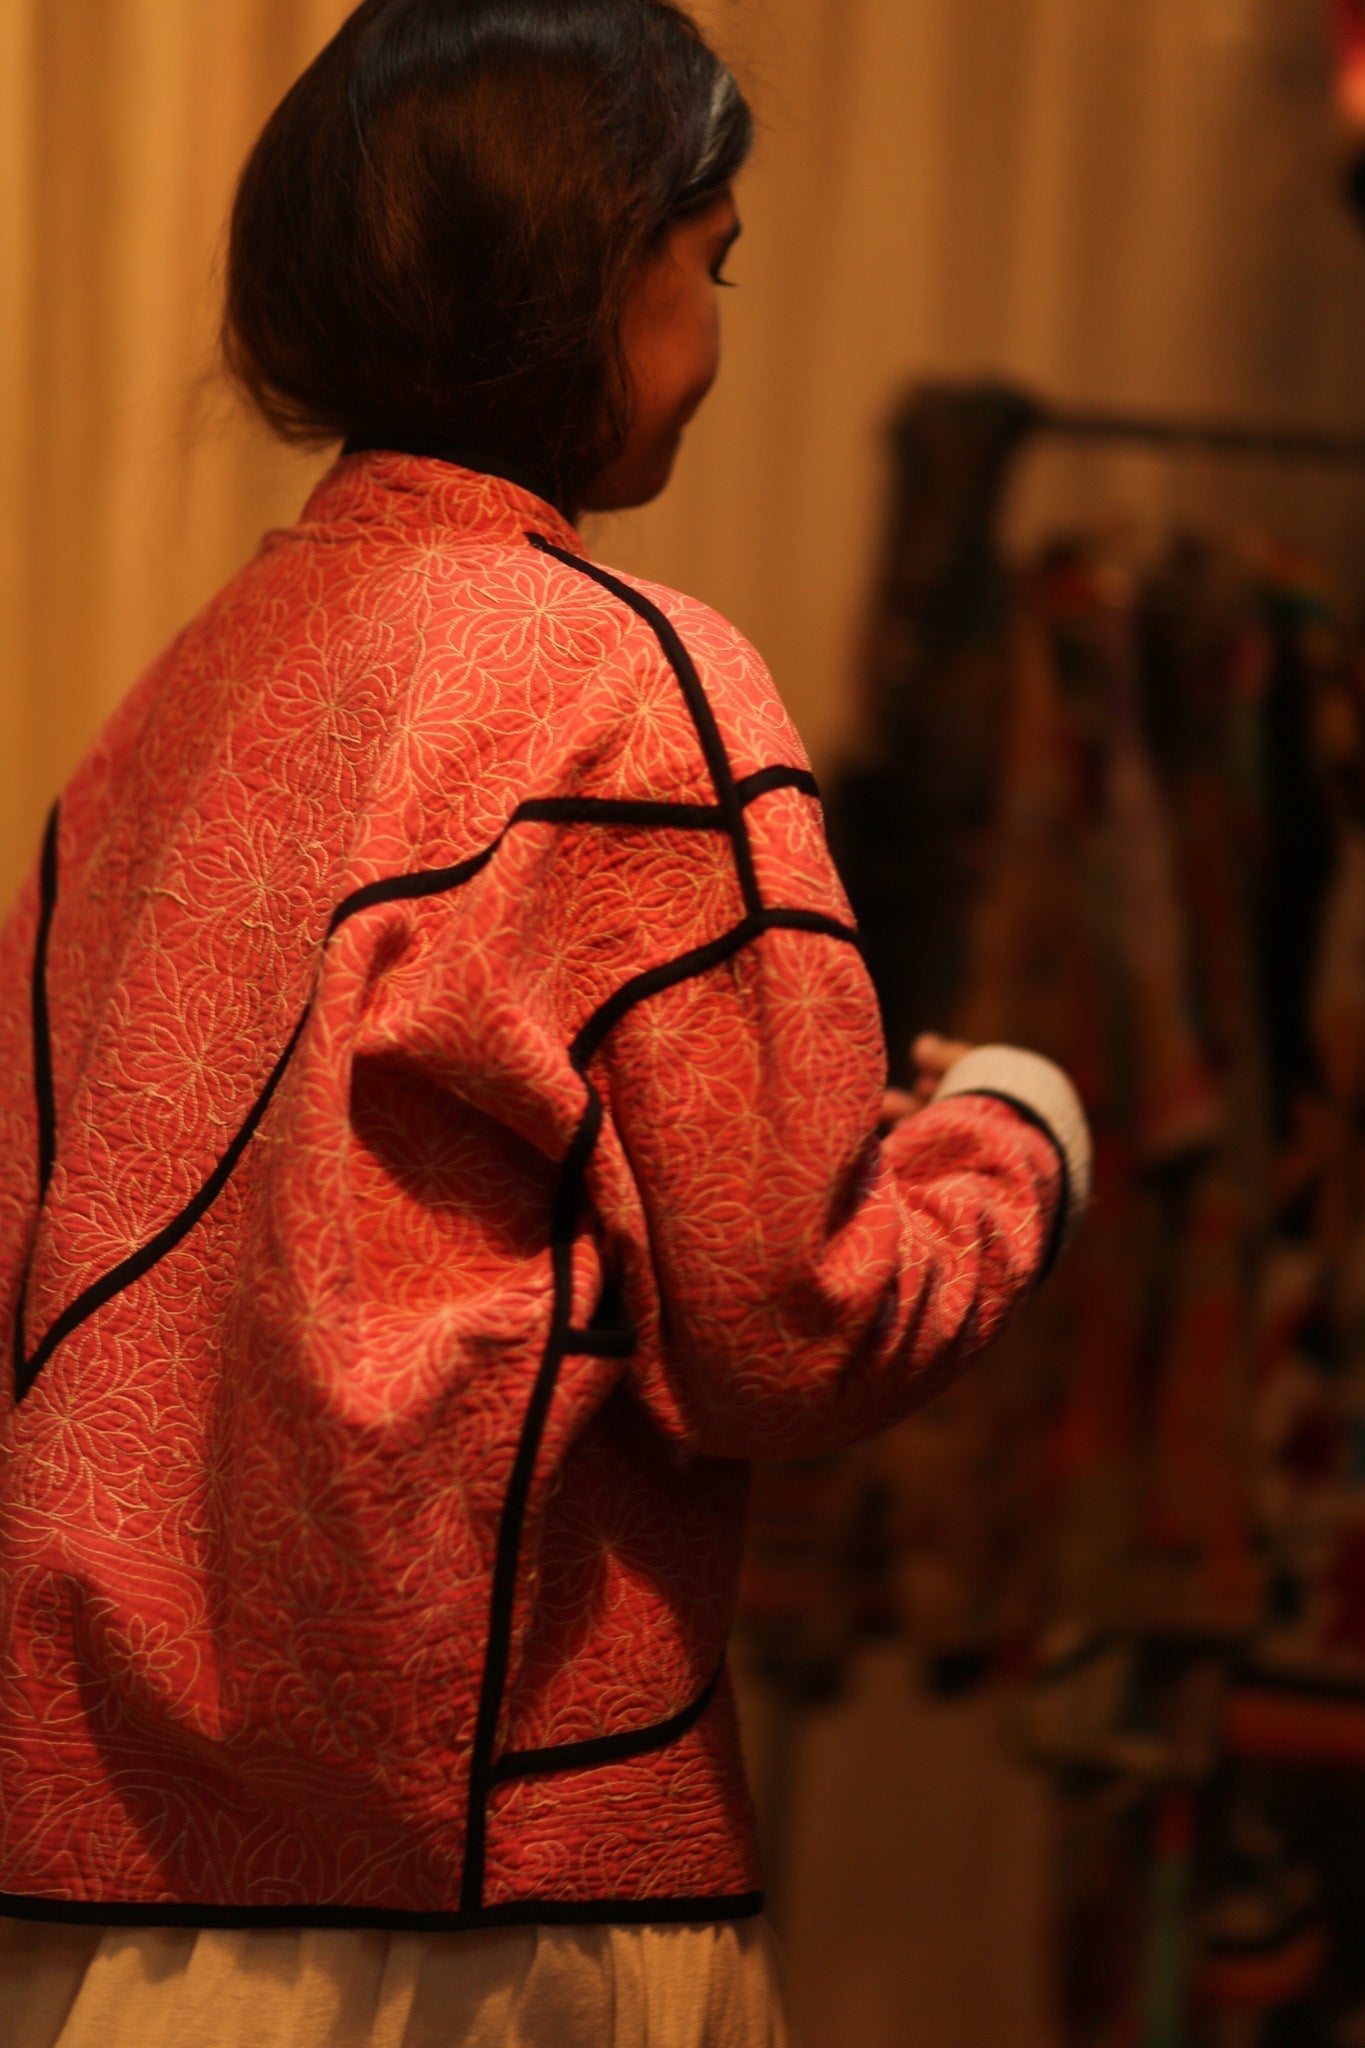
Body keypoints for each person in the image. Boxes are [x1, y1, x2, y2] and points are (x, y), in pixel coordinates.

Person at [0, 3, 1091, 2043]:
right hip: (500, 1897)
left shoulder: (175, 709)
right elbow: (785, 1323)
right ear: (604, 267)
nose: (715, 331)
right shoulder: (631, 685)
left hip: (96, 1899)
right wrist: (1013, 1134)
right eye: (712, 261)